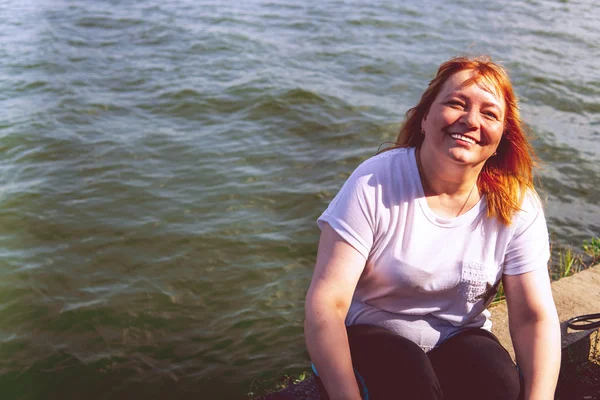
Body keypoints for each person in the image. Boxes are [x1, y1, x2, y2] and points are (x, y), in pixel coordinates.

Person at [304, 56, 561, 400]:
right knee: (408, 378)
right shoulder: (374, 181)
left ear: (501, 136)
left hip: (458, 336)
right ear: (425, 117)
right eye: (457, 103)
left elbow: (533, 316)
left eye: (489, 113)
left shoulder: (517, 203)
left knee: (497, 382)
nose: (471, 121)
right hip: (370, 334)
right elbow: (327, 304)